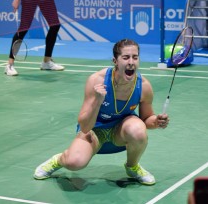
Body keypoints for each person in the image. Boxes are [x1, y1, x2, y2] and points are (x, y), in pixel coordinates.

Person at [33, 39, 170, 185]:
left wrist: (156, 122)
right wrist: (97, 101)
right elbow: (85, 127)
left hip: (120, 131)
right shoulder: (96, 80)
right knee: (75, 162)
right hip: (94, 131)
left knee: (138, 130)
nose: (131, 62)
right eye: (125, 57)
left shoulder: (144, 86)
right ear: (115, 61)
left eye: (135, 57)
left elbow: (147, 118)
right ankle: (59, 159)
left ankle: (132, 167)